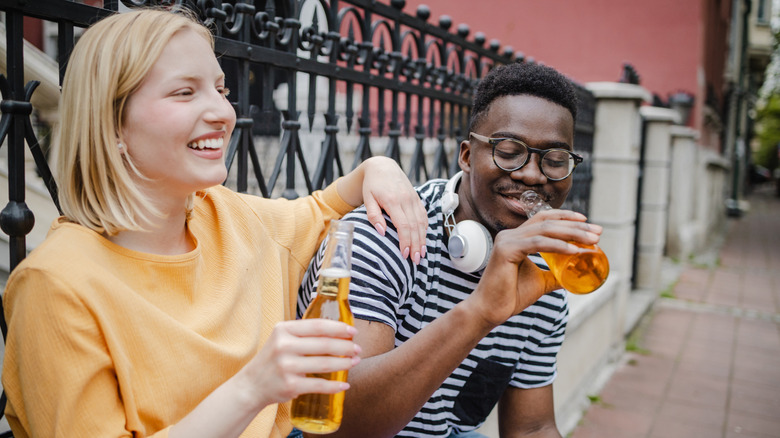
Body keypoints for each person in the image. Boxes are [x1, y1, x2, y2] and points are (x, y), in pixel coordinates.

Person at [1, 7, 429, 438]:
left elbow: (325, 206)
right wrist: (253, 388)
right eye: (185, 93)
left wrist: (379, 167)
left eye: (221, 90)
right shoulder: (54, 286)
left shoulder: (230, 216)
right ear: (113, 125)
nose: (223, 113)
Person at [298, 61, 603, 437]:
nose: (533, 175)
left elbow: (533, 428)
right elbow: (338, 424)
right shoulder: (382, 233)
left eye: (555, 161)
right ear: (466, 156)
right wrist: (480, 313)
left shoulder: (547, 271)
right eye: (509, 152)